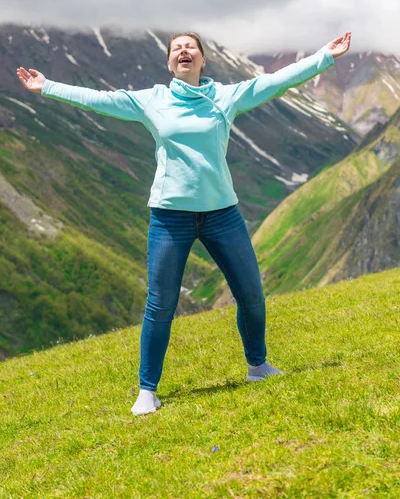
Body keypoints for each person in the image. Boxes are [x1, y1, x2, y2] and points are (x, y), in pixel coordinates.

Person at [16, 30, 352, 415]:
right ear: (170, 62)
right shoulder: (152, 100)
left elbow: (275, 82)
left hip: (222, 214)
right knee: (160, 305)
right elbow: (101, 101)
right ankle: (147, 390)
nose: (183, 51)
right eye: (176, 48)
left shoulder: (224, 98)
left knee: (252, 296)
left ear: (203, 60)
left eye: (190, 46)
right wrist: (47, 87)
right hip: (169, 217)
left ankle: (258, 367)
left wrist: (325, 56)